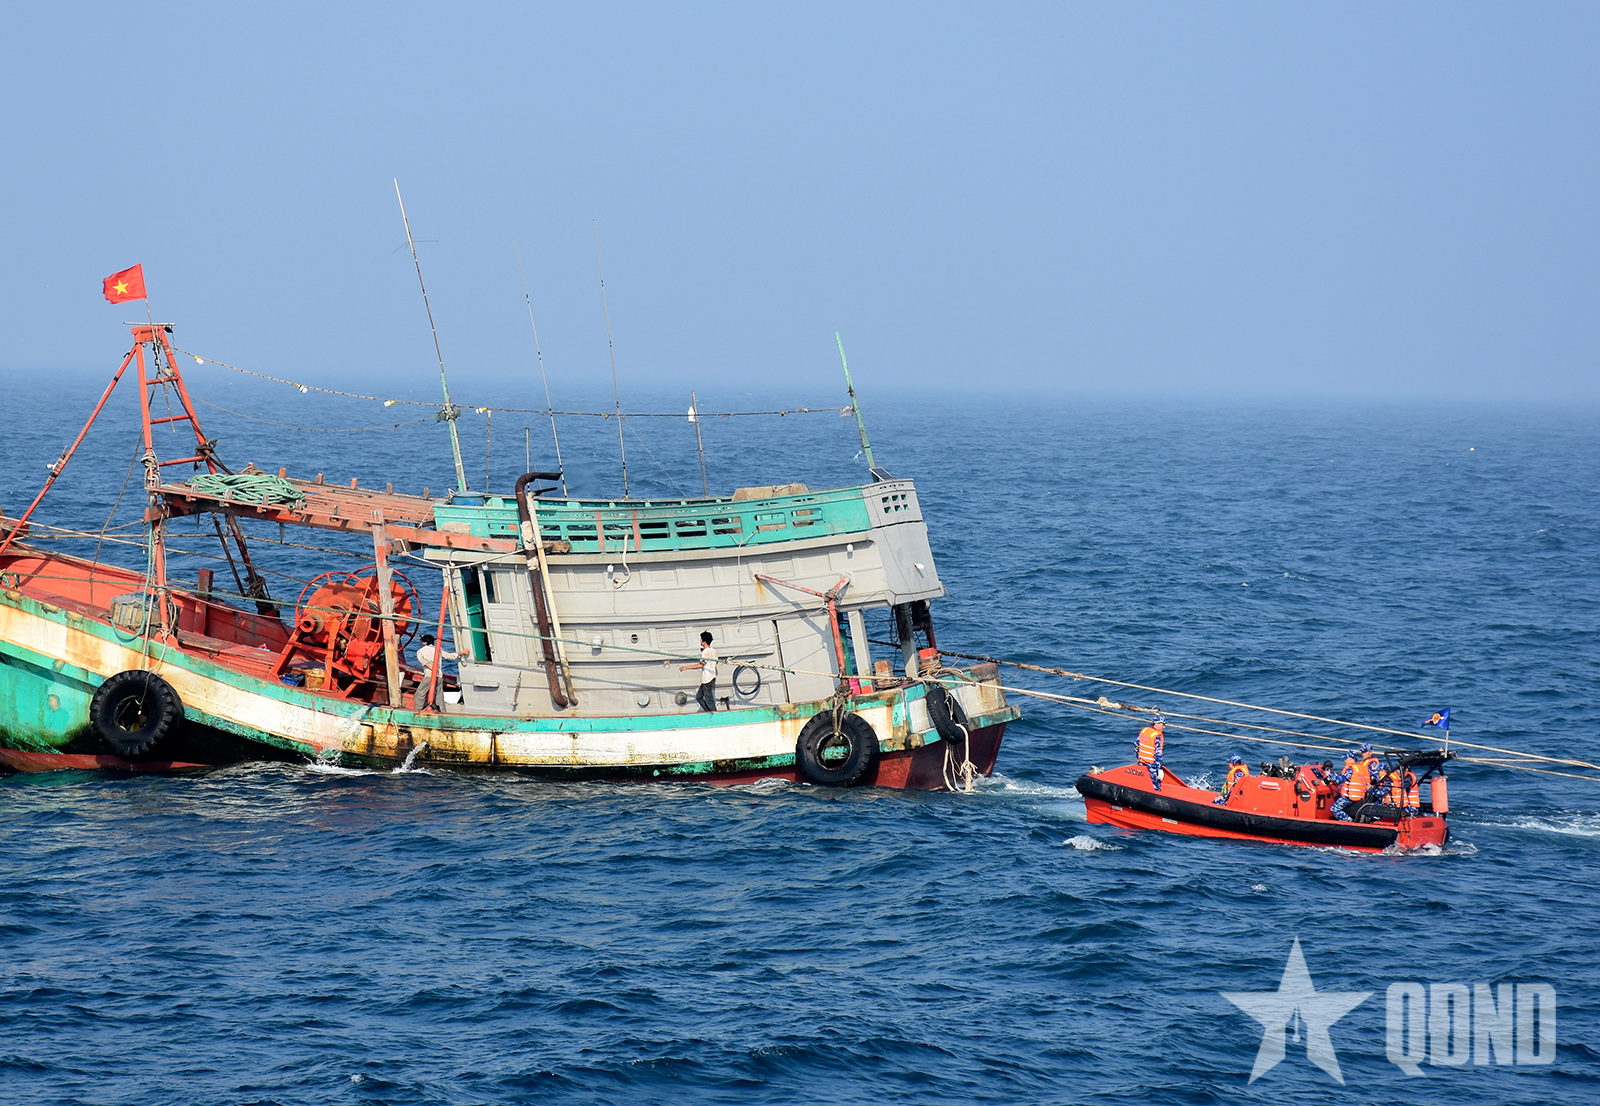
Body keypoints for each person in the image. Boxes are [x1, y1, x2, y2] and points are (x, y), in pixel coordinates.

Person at [680, 631, 718, 712]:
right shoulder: (713, 651)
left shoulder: (705, 652)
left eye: (701, 639)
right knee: (699, 697)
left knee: (709, 700)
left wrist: (686, 667)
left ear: (704, 641)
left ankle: (714, 714)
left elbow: (701, 665)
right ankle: (709, 712)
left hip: (707, 678)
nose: (700, 640)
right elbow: (716, 662)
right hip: (712, 677)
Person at [1136, 717, 1165, 790]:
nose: (1164, 727)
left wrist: (1139, 757)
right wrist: (1159, 769)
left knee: (1143, 782)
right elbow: (1158, 754)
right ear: (1157, 724)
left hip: (1141, 761)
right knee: (1155, 784)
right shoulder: (1157, 736)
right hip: (1151, 764)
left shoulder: (1145, 730)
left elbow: (1136, 745)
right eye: (1162, 724)